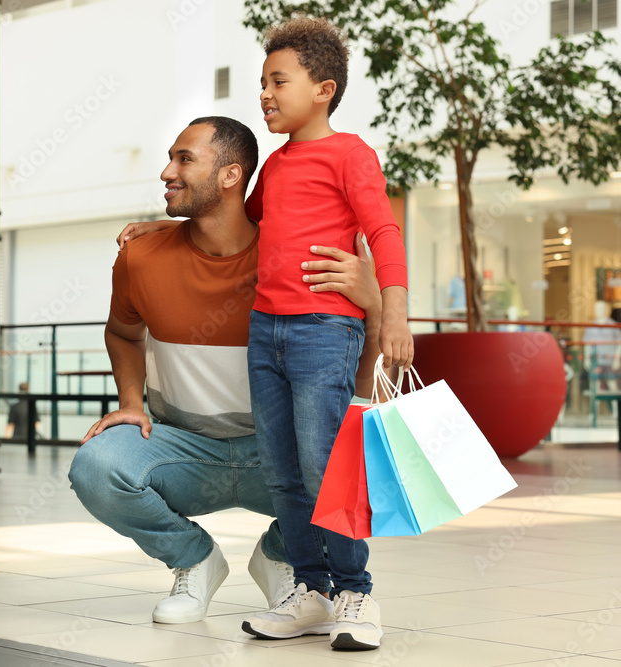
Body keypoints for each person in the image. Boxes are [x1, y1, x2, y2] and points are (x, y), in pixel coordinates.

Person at [68, 116, 384, 628]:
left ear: (232, 176)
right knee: (96, 467)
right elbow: (124, 333)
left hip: (280, 454)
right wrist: (130, 403)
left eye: (184, 159)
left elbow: (347, 358)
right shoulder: (141, 257)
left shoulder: (298, 261)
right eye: (171, 157)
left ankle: (288, 561)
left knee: (354, 462)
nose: (167, 171)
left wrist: (373, 306)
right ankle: (195, 559)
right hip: (186, 449)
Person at [238, 17, 413, 650]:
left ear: (324, 88)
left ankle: (354, 592)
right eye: (262, 82)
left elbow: (385, 232)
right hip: (266, 333)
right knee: (283, 472)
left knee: (325, 467)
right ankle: (309, 589)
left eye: (278, 81)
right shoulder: (276, 168)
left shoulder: (350, 154)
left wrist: (391, 312)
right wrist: (158, 227)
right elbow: (236, 223)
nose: (264, 93)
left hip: (324, 331)